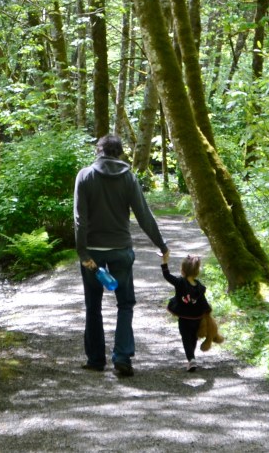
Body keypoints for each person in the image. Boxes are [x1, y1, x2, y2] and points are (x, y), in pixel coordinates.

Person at [74, 133, 169, 377]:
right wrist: (162, 245)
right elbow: (144, 215)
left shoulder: (85, 176)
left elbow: (79, 219)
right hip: (120, 250)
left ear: (99, 151)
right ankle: (122, 357)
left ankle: (96, 360)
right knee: (125, 304)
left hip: (92, 252)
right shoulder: (129, 177)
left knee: (93, 305)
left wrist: (83, 252)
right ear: (119, 153)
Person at [161, 253, 213, 371]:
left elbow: (167, 275)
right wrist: (207, 312)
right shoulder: (200, 287)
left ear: (183, 271)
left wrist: (164, 261)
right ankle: (192, 357)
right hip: (197, 318)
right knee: (193, 337)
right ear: (196, 272)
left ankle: (191, 359)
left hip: (184, 318)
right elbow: (203, 302)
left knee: (186, 338)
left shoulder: (180, 283)